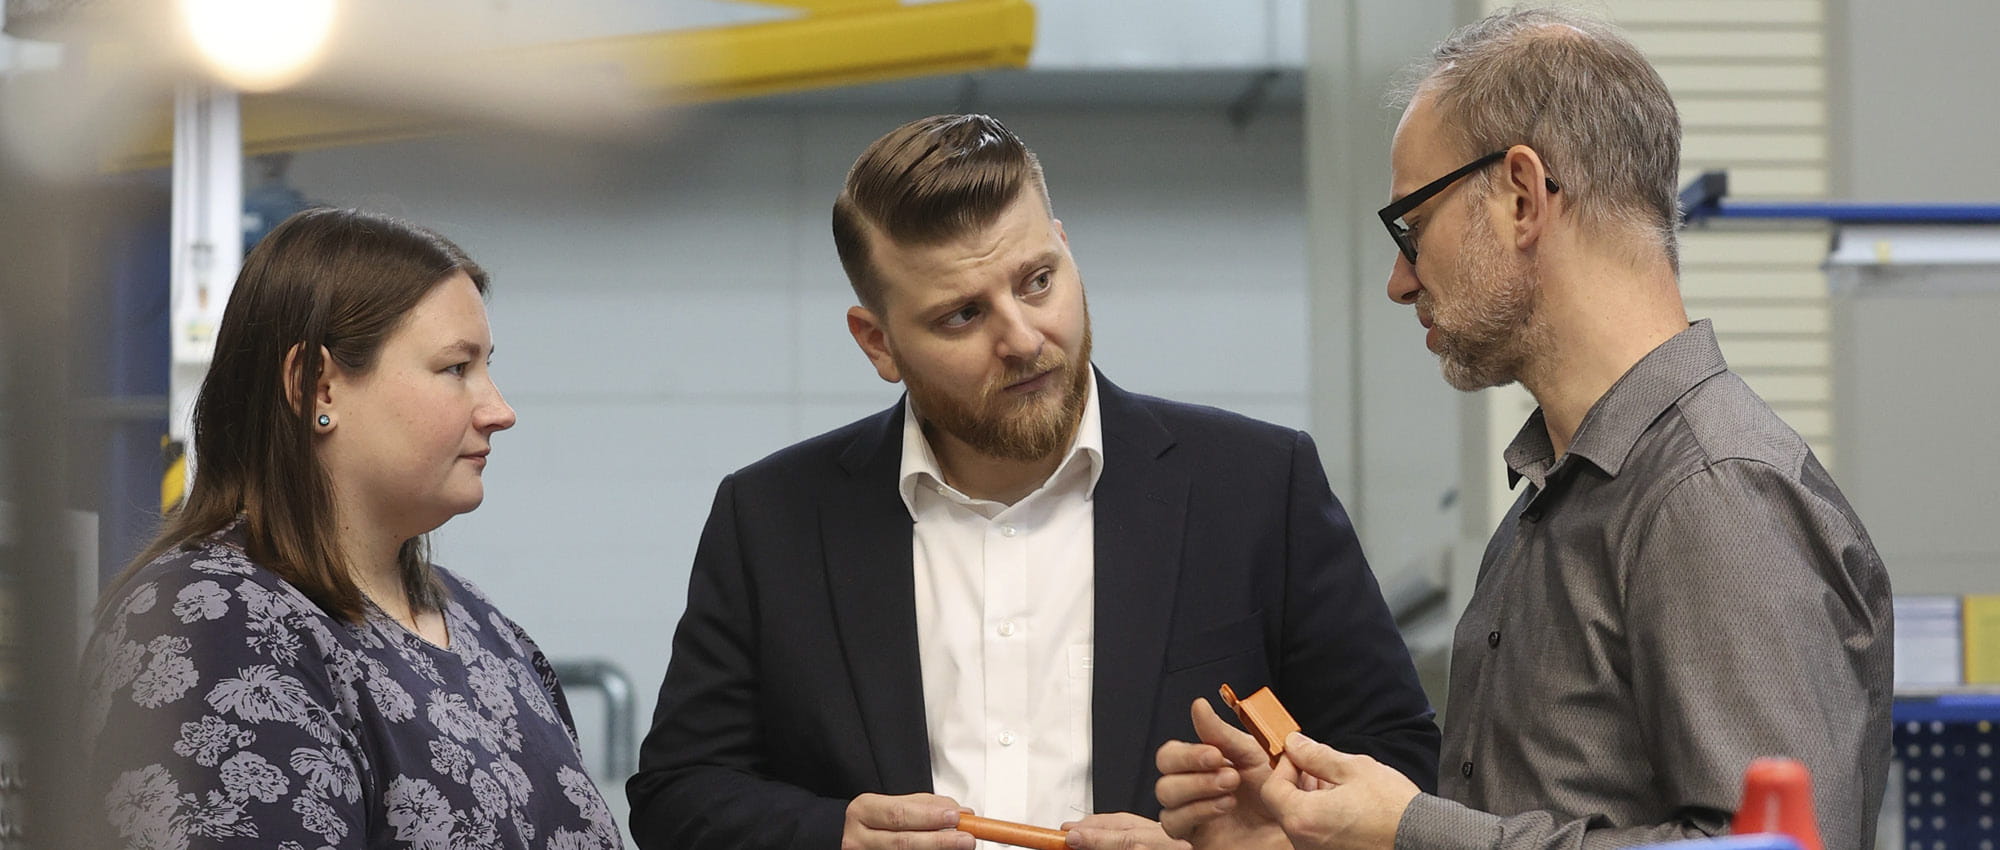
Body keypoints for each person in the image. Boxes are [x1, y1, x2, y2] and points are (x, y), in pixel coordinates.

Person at [1154, 9, 1893, 850]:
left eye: (1412, 226)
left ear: (1519, 195)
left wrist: (1411, 829)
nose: (1400, 281)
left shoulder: (1716, 492)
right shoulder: (1547, 514)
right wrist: (1299, 839)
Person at [625, 113, 1440, 850]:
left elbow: (1401, 767)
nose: (1023, 336)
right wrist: (832, 836)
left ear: (1064, 245)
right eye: (962, 315)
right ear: (877, 343)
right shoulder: (771, 519)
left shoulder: (1258, 486)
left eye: (1037, 280)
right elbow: (675, 796)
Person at [81, 208, 624, 850]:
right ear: (318, 388)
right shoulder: (214, 626)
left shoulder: (486, 630)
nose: (498, 410)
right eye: (456, 368)